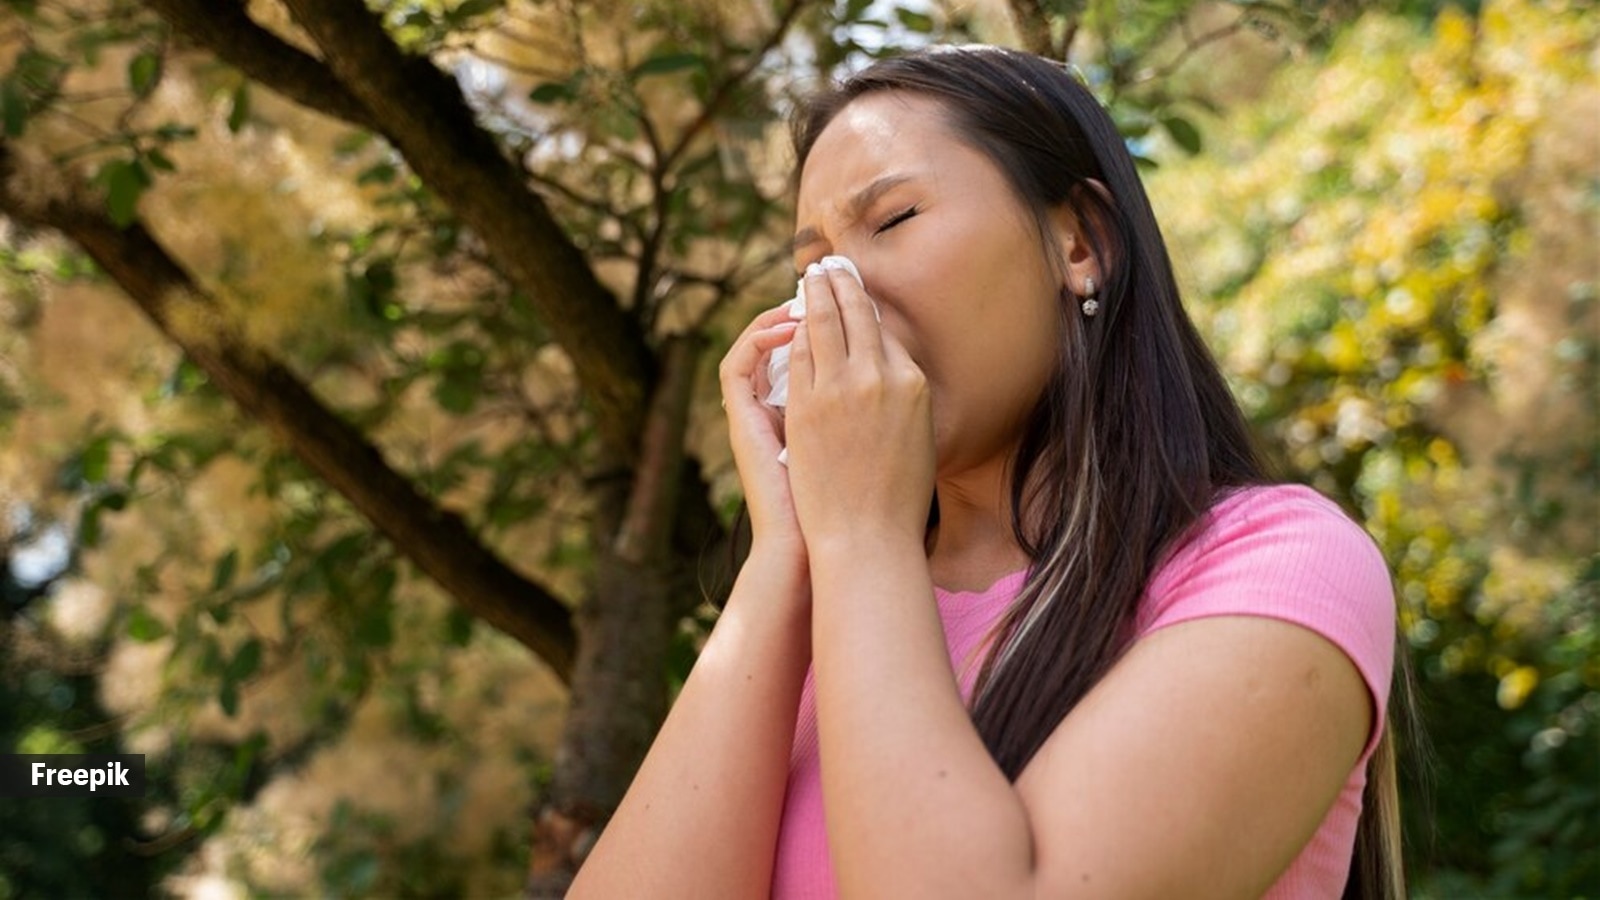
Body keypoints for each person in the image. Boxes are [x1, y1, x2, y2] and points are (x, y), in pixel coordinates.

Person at [569, 44, 1403, 899]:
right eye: (809, 266)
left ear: (1081, 241)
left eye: (893, 219)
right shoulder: (825, 612)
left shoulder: (1279, 565)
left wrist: (863, 536)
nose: (831, 296)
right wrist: (784, 552)